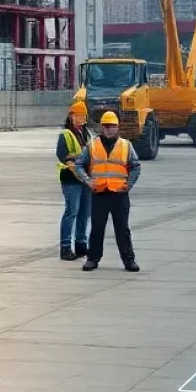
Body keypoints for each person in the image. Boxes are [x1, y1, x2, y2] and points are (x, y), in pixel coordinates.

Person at [73, 110, 141, 272]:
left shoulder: (125, 145)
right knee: (97, 228)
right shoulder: (93, 145)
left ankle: (129, 260)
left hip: (119, 194)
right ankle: (93, 259)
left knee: (122, 229)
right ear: (101, 127)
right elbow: (79, 164)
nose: (109, 129)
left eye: (112, 126)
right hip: (100, 193)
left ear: (117, 127)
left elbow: (136, 166)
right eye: (106, 126)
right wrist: (88, 181)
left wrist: (128, 184)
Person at [57, 101, 91, 260]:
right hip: (71, 179)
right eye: (78, 115)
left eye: (83, 116)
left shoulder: (87, 133)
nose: (81, 119)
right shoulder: (66, 134)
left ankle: (81, 244)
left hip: (86, 179)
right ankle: (65, 247)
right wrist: (77, 162)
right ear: (71, 116)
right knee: (72, 211)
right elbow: (63, 156)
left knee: (84, 213)